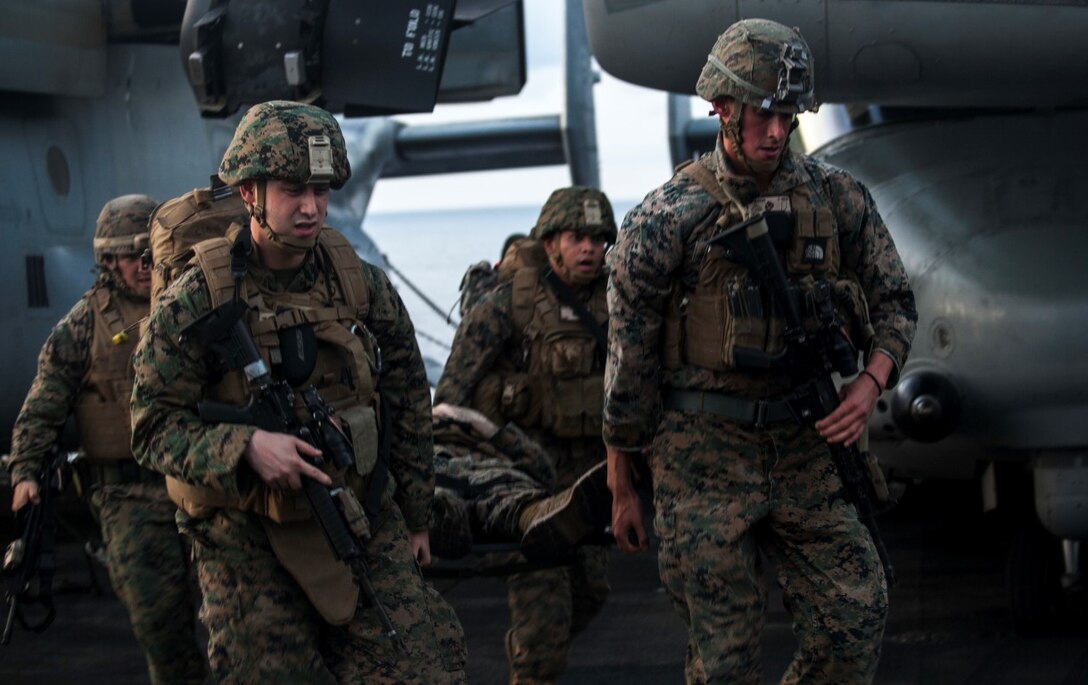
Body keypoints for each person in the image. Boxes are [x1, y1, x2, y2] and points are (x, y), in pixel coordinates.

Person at [604, 18, 918, 685]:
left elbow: (895, 302)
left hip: (810, 447)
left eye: (788, 114)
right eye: (761, 113)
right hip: (702, 456)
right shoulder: (666, 218)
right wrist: (622, 479)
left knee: (853, 621)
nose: (776, 131)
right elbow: (627, 359)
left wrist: (869, 385)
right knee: (725, 661)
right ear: (721, 106)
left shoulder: (837, 198)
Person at [130, 101, 466, 684]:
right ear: (249, 192)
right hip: (244, 533)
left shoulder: (358, 281)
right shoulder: (198, 297)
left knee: (424, 670)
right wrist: (247, 447)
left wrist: (414, 517)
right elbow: (152, 426)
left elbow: (408, 394)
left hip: (356, 512)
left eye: (321, 190)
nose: (310, 207)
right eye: (292, 190)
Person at [8, 195, 207, 684]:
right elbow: (44, 402)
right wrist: (25, 473)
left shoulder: (194, 306)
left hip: (204, 487)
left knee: (245, 622)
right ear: (108, 261)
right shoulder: (84, 326)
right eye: (131, 257)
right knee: (161, 625)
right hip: (130, 498)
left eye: (150, 254)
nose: (144, 267)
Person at [435, 186, 616, 684]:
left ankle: (530, 655)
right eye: (578, 238)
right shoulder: (508, 302)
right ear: (551, 241)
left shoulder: (617, 300)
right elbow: (451, 399)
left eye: (599, 240)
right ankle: (531, 664)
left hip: (593, 476)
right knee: (543, 629)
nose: (590, 249)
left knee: (593, 592)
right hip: (530, 480)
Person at [428, 403, 609, 563]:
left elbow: (544, 472)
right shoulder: (413, 440)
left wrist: (486, 428)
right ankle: (441, 520)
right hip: (435, 474)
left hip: (493, 477)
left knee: (514, 496)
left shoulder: (490, 443)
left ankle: (544, 517)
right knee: (435, 497)